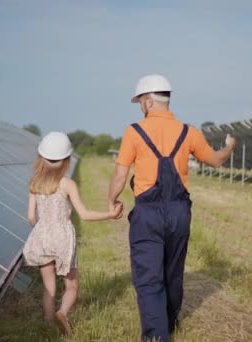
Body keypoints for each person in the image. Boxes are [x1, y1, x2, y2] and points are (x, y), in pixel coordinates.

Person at [108, 74, 237, 342]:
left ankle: (158, 336)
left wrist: (113, 200)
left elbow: (120, 176)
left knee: (149, 277)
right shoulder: (189, 132)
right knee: (173, 273)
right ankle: (170, 322)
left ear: (147, 102)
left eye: (140, 102)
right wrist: (229, 147)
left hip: (148, 214)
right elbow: (216, 160)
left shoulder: (134, 131)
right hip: (179, 213)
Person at [23, 131, 123, 336]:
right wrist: (110, 215)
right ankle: (62, 312)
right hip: (62, 238)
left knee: (49, 287)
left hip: (43, 236)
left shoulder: (35, 183)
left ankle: (49, 323)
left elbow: (31, 217)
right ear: (67, 160)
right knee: (72, 286)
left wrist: (43, 228)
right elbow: (84, 214)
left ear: (42, 158)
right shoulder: (67, 184)